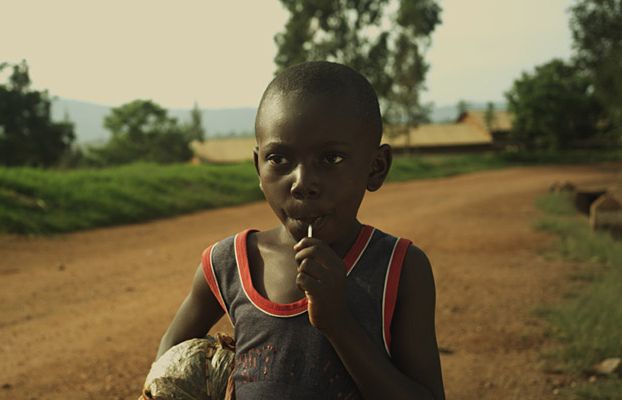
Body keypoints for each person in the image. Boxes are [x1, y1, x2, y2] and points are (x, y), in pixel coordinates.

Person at [154, 61, 445, 399]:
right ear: (257, 167)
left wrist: (339, 324)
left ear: (375, 168)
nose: (302, 183)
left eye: (331, 158)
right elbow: (167, 364)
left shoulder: (400, 267)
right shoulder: (228, 264)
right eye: (279, 159)